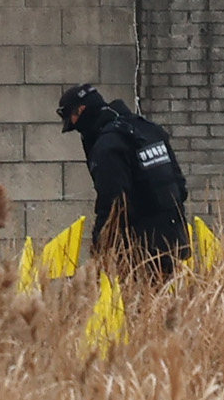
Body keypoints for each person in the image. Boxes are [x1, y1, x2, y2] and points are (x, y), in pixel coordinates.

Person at [59, 83, 189, 275]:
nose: (76, 127)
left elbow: (114, 205)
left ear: (82, 110)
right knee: (168, 302)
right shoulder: (149, 129)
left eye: (73, 119)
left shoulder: (108, 146)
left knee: (139, 304)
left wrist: (99, 247)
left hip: (140, 252)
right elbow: (180, 187)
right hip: (174, 239)